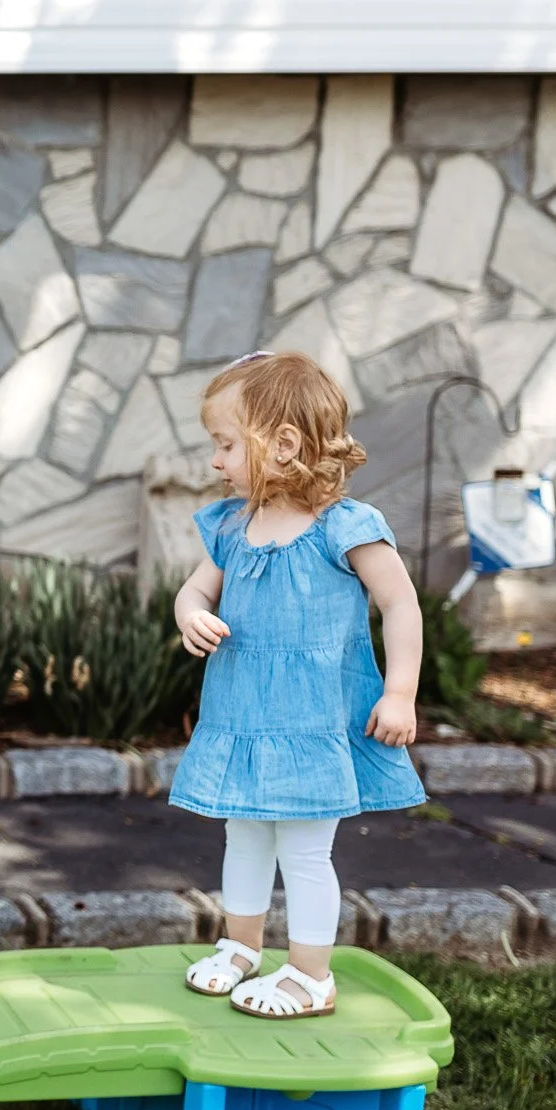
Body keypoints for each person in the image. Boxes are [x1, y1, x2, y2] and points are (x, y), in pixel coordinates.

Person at [170, 350, 425, 1020]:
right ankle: (240, 946)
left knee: (306, 851)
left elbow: (401, 604)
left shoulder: (345, 528)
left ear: (282, 445)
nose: (218, 461)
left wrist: (400, 692)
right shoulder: (231, 524)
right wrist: (191, 612)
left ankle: (311, 974)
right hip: (244, 720)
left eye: (226, 444)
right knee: (245, 835)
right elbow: (197, 585)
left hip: (312, 726)